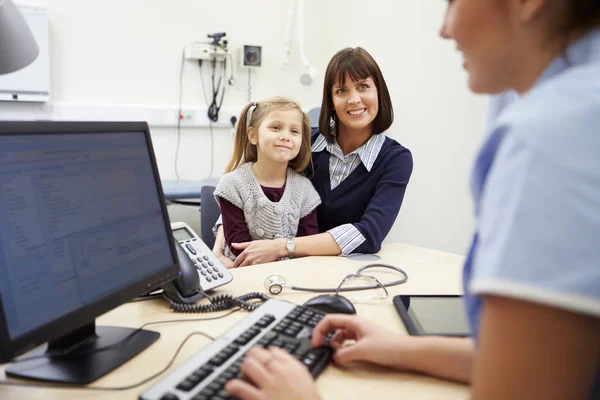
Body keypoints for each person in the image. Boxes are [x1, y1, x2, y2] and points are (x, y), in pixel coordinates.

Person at [225, 0, 600, 399]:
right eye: (341, 90)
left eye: (454, 2)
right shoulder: (569, 111)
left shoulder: (554, 132)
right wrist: (401, 349)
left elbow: (529, 379)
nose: (445, 28)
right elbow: (531, 364)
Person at [214, 47, 414, 268]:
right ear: (330, 99)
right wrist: (218, 250)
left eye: (363, 86)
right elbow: (247, 190)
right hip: (281, 270)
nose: (354, 99)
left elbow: (369, 234)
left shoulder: (395, 159)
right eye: (341, 90)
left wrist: (284, 246)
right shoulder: (302, 141)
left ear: (379, 92)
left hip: (344, 270)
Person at [214, 97, 321, 261]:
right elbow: (239, 247)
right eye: (276, 127)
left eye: (294, 131)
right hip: (243, 272)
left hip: (290, 276)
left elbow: (307, 245)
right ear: (253, 135)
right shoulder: (232, 185)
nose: (286, 136)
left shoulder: (305, 189)